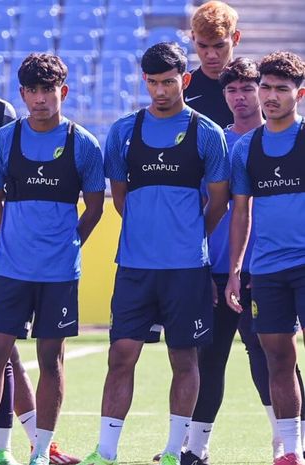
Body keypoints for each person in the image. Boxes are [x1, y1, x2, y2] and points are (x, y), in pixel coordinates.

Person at [78, 42, 229, 465]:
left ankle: (172, 451)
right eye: (153, 82)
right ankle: (105, 453)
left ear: (184, 79)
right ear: (144, 82)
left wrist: (188, 234)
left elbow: (218, 202)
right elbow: (120, 198)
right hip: (135, 267)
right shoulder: (124, 131)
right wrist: (150, 229)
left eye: (168, 82)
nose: (161, 91)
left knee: (185, 357)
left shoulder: (207, 133)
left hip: (186, 268)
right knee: (121, 355)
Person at [0, 52, 105, 465]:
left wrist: (69, 243)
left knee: (50, 361)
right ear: (22, 93)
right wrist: (12, 237)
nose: (40, 98)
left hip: (58, 274)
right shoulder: (7, 138)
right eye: (33, 90)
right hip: (9, 270)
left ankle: (40, 452)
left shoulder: (83, 144)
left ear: (64, 91)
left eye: (48, 90)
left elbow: (94, 208)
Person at [182, 57, 286, 465]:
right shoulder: (214, 142)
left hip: (268, 269)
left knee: (271, 356)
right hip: (217, 269)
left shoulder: (278, 140)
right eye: (232, 90)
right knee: (209, 357)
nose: (240, 98)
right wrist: (201, 266)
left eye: (247, 89)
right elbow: (200, 208)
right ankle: (196, 446)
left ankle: (286, 442)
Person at [226, 51, 305, 465]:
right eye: (266, 88)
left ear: (299, 94)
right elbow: (241, 212)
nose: (270, 96)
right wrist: (236, 269)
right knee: (277, 357)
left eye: (281, 89)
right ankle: (291, 449)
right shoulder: (246, 149)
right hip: (268, 271)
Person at [185, 1, 240, 128]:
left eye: (219, 45)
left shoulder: (257, 86)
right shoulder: (184, 88)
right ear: (193, 37)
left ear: (236, 38)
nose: (211, 55)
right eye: (203, 46)